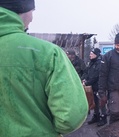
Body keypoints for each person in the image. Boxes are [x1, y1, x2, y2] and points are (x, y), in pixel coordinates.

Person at [0, 1, 88, 136]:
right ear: (23, 11)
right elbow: (70, 117)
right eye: (32, 11)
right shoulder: (47, 53)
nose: (32, 18)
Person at [81, 48, 107, 126]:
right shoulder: (92, 63)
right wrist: (84, 79)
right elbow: (88, 72)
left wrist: (87, 82)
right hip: (94, 86)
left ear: (96, 55)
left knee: (101, 102)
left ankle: (104, 117)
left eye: (91, 54)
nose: (90, 55)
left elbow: (96, 75)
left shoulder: (99, 63)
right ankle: (96, 116)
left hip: (100, 86)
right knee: (95, 102)